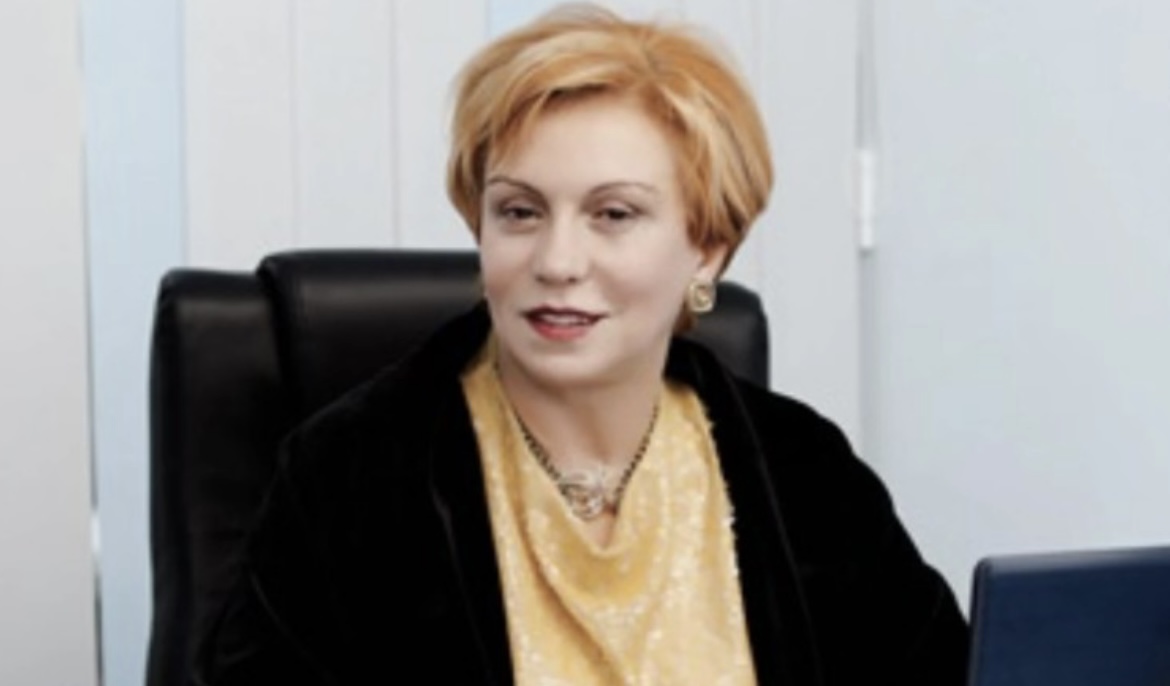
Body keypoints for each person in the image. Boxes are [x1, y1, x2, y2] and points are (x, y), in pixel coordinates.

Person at [195, 5, 968, 685]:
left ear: (706, 249)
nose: (557, 261)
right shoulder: (349, 481)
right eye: (520, 212)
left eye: (613, 215)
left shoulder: (806, 474)